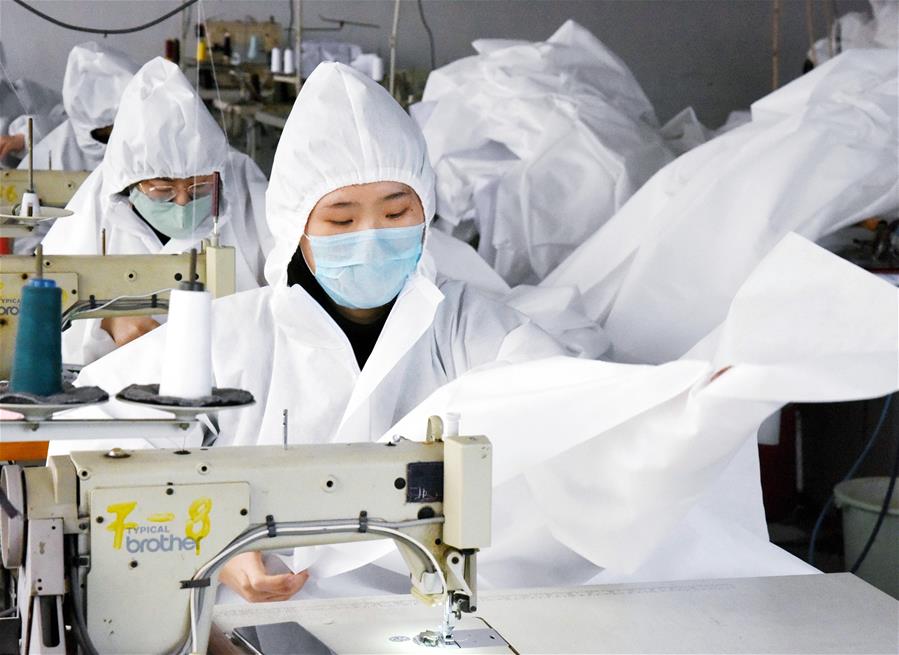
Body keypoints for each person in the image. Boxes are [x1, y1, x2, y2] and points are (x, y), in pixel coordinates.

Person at [72, 61, 568, 601]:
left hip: (425, 600)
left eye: (396, 213)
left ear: (427, 211)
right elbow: (95, 438)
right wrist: (207, 536)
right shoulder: (235, 336)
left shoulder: (464, 325)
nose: (370, 237)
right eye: (341, 220)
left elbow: (571, 407)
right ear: (295, 227)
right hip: (267, 612)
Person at [41, 57, 273, 365]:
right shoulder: (97, 206)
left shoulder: (241, 181)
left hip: (234, 369)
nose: (182, 203)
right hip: (118, 378)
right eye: (163, 190)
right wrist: (103, 324)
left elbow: (287, 288)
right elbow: (42, 312)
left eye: (198, 187)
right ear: (129, 183)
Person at [20, 41, 138, 172]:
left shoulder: (145, 143)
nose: (114, 138)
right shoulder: (51, 160)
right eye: (105, 134)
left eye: (120, 128)